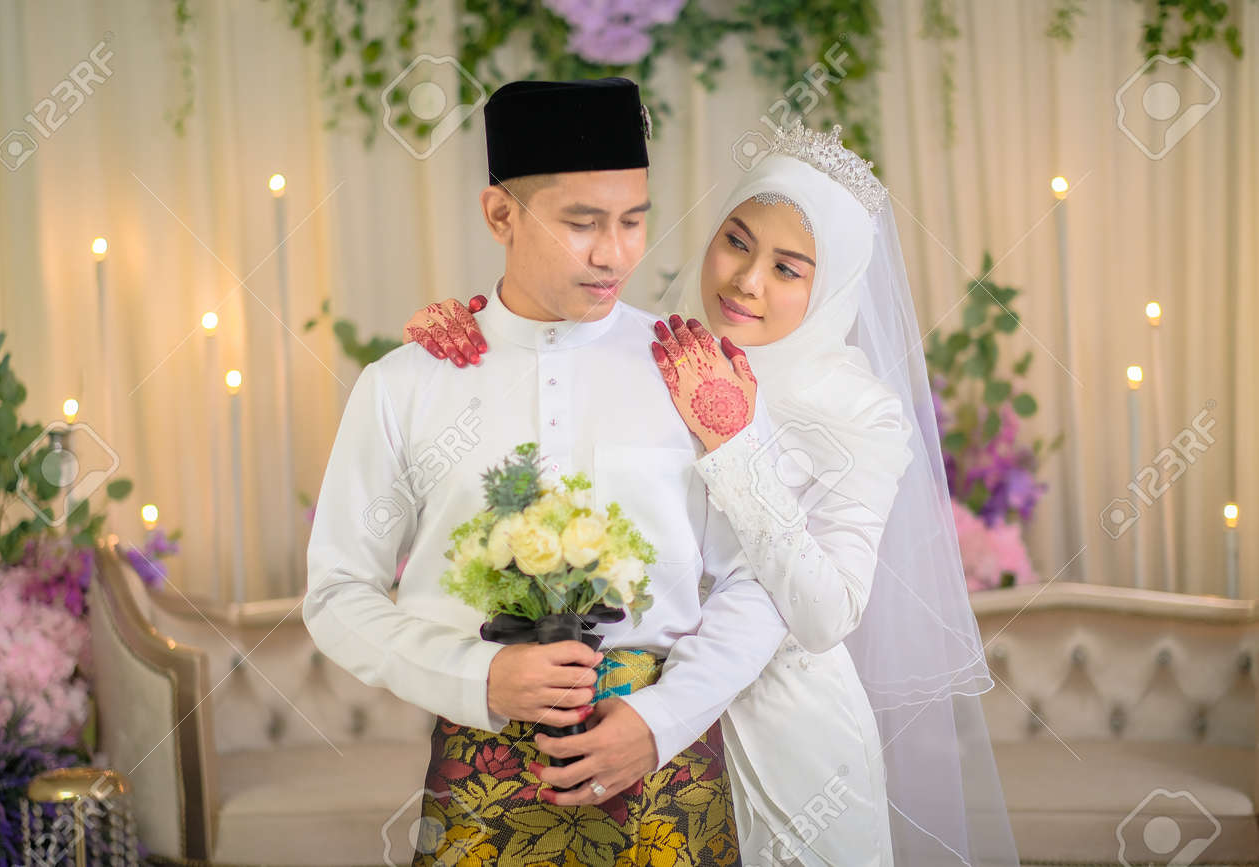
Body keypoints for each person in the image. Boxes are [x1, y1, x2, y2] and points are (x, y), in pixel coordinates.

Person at [405, 119, 1021, 866]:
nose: (745, 280)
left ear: (833, 287)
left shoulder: (861, 413)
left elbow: (825, 612)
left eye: (789, 268)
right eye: (737, 240)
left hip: (787, 754)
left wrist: (736, 443)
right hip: (620, 725)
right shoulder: (656, 346)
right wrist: (464, 347)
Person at [304, 77, 790, 867]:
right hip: (482, 775)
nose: (616, 253)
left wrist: (661, 720)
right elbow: (335, 593)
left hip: (665, 769)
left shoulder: (694, 371)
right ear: (501, 214)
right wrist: (476, 675)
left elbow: (762, 578)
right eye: (582, 223)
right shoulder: (408, 382)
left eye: (634, 220)